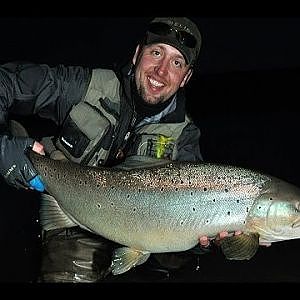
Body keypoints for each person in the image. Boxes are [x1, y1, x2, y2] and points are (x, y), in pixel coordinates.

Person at [0, 17, 233, 283]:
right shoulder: (83, 87)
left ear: (186, 78)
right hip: (70, 212)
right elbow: (6, 81)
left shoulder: (185, 136)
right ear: (136, 54)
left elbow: (195, 215)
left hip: (140, 236)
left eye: (177, 63)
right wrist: (3, 147)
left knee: (178, 259)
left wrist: (209, 239)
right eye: (156, 53)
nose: (161, 71)